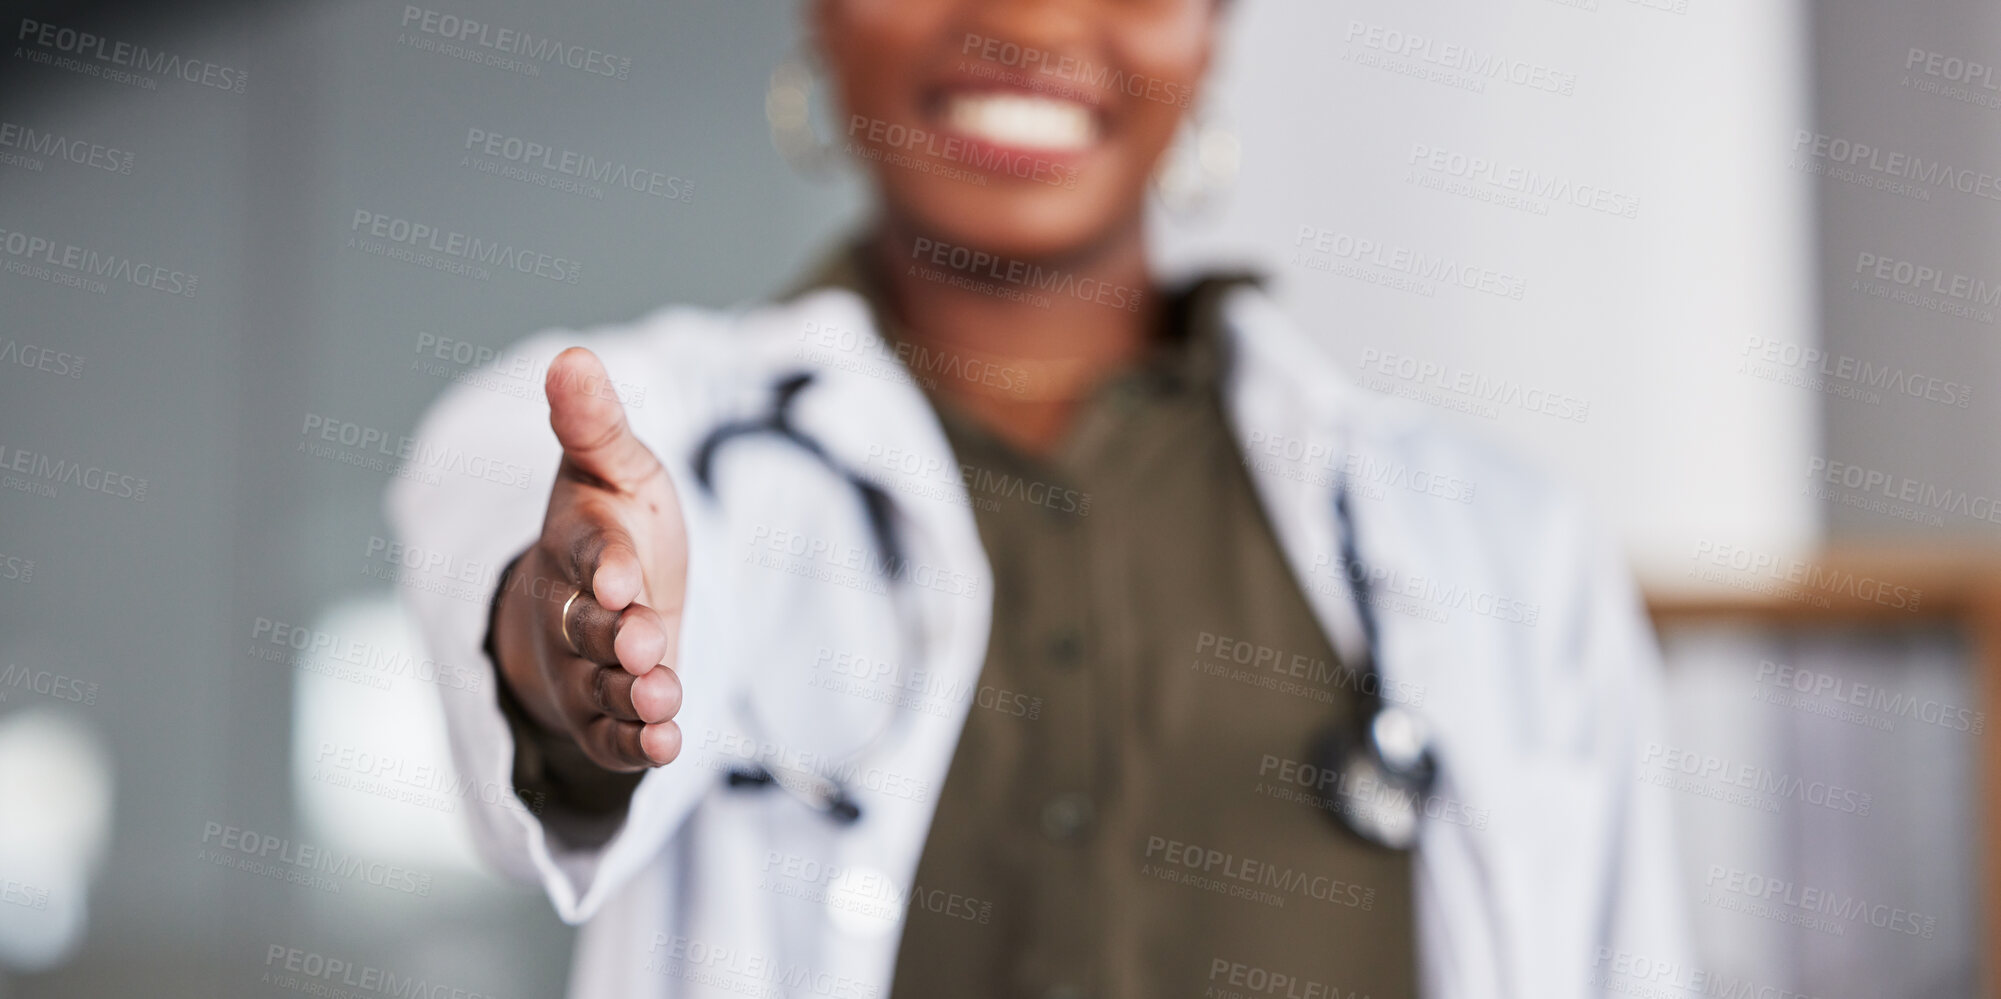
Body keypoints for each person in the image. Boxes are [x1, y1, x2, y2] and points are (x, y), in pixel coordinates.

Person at [388, 1, 1691, 996]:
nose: (1025, 20)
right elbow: (522, 599)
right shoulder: (638, 432)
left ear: (1212, 27)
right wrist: (572, 652)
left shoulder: (1504, 544)